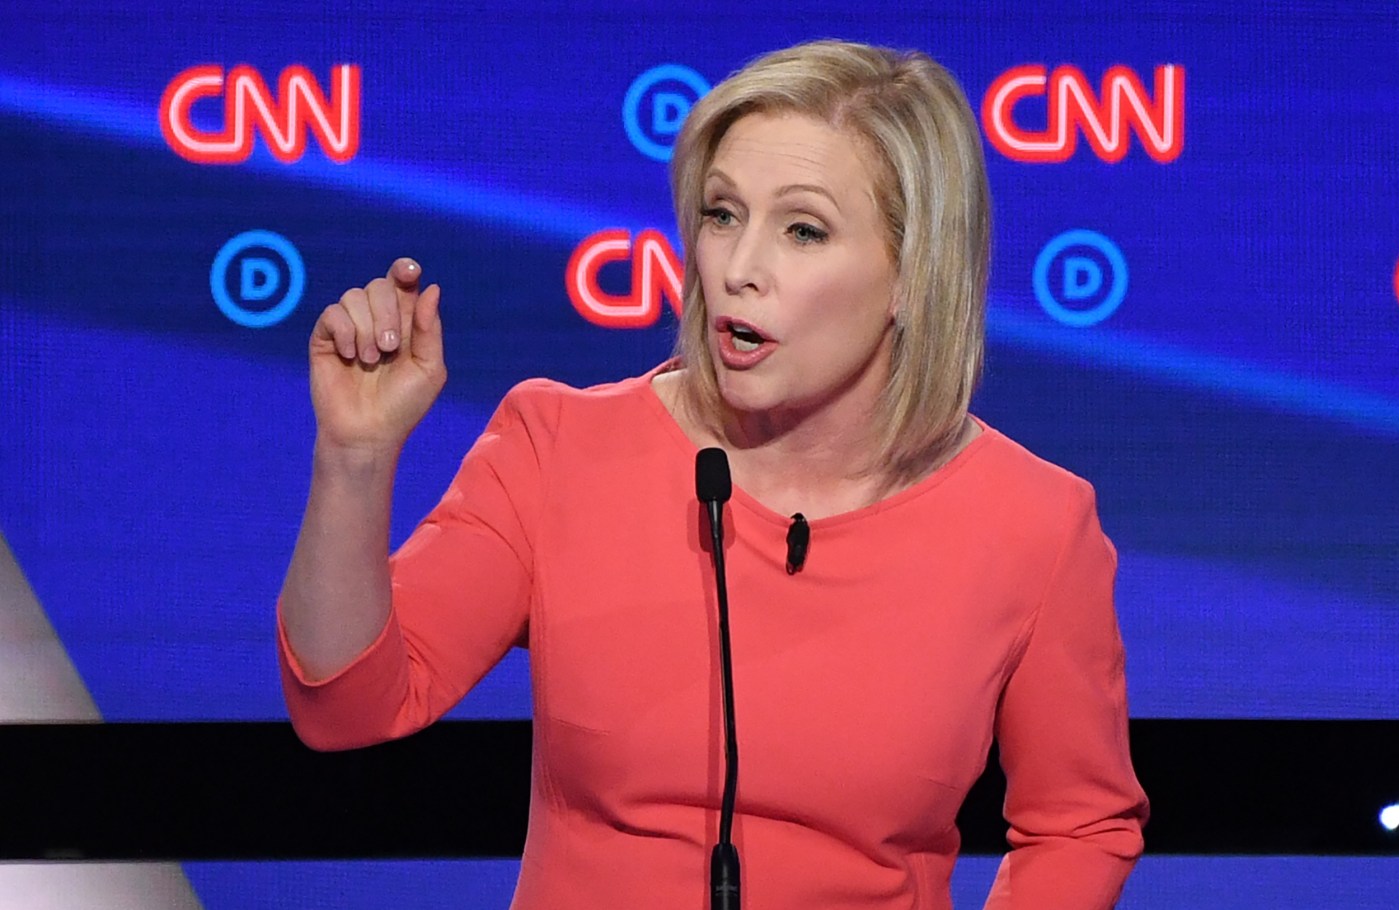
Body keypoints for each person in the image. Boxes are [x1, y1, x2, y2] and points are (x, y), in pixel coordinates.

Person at [278, 39, 1149, 909]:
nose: (738, 269)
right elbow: (345, 705)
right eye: (722, 214)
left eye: (802, 230)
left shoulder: (1033, 524)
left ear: (913, 277)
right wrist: (354, 457)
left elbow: (1081, 825)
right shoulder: (558, 446)